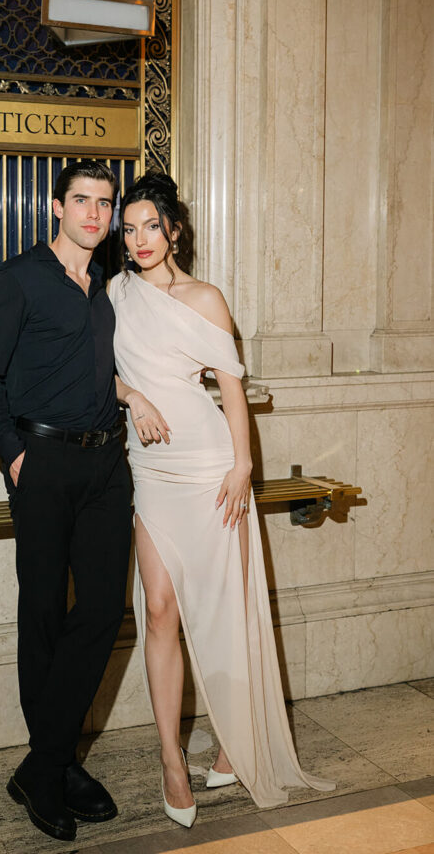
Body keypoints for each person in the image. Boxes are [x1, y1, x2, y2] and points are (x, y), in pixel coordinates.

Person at [108, 172, 335, 819]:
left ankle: (234, 745)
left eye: (151, 225)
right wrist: (131, 394)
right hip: (151, 473)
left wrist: (242, 465)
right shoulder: (114, 295)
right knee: (158, 611)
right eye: (129, 229)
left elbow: (231, 393)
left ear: (173, 230)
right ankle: (170, 762)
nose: (139, 238)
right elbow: (102, 372)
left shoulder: (204, 298)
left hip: (209, 466)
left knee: (224, 608)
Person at [0, 160, 135, 844]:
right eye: (82, 201)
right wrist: (14, 456)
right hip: (41, 462)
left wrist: (136, 395)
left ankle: (43, 764)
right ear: (56, 207)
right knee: (41, 613)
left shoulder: (105, 286)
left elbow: (104, 369)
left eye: (104, 203)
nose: (94, 214)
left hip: (105, 466)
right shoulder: (18, 278)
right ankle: (55, 765)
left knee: (98, 613)